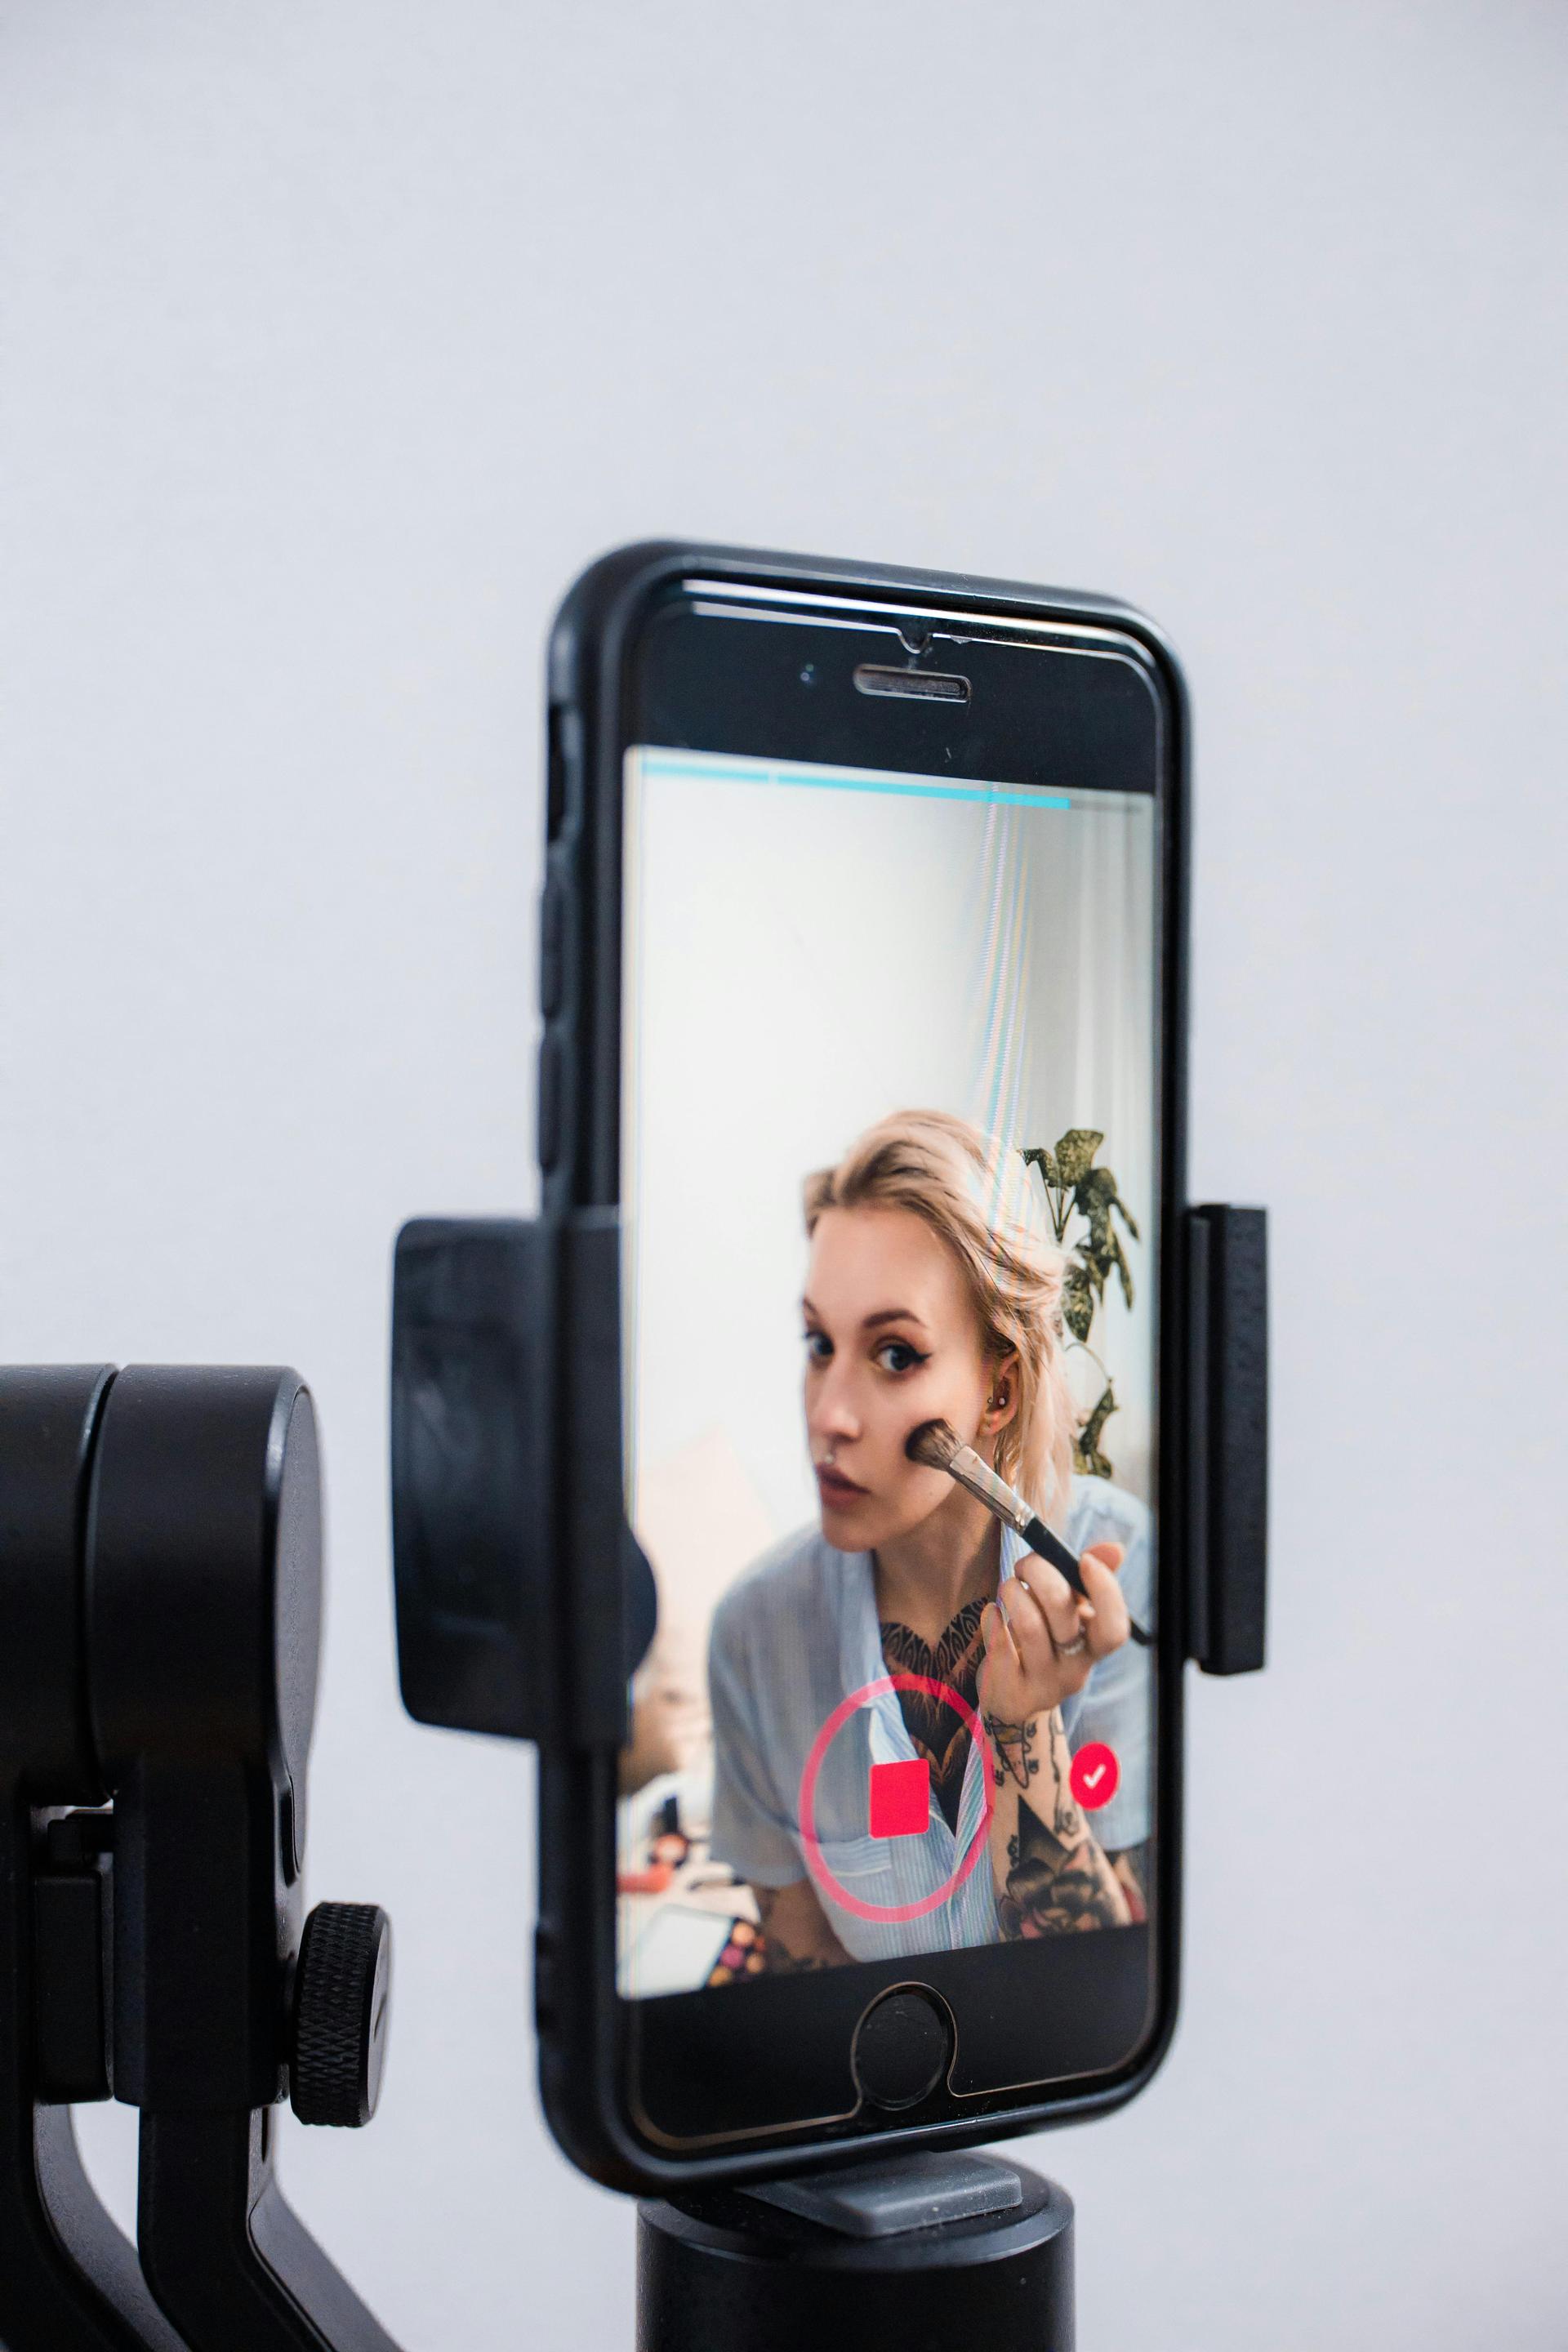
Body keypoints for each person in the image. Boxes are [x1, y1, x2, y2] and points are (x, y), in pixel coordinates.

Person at [707, 1110, 1154, 1973]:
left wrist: (1027, 1733)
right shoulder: (755, 1638)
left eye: (897, 1355)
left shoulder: (1117, 1564)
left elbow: (1101, 1988)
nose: (827, 1417)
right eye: (818, 1344)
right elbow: (807, 1971)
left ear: (998, 1392)